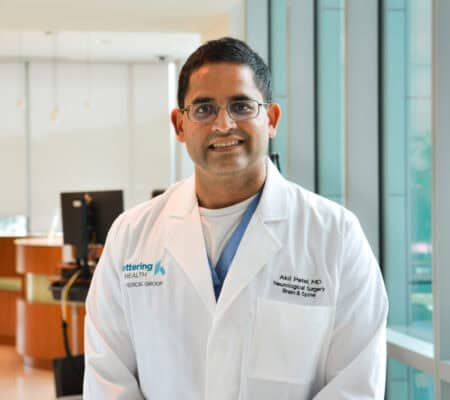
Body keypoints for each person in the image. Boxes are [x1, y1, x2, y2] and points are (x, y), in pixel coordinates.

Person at [83, 37, 388, 400]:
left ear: (271, 119)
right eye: (204, 109)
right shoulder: (131, 235)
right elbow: (109, 378)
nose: (224, 124)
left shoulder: (335, 236)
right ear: (179, 125)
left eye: (242, 106)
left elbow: (354, 384)